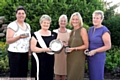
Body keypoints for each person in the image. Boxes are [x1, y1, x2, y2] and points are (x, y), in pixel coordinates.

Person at [6, 6, 31, 78]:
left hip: (24, 53)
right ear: (16, 15)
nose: (21, 15)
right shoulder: (12, 25)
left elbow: (29, 40)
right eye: (19, 13)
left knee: (23, 74)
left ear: (25, 15)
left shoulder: (28, 26)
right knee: (15, 74)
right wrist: (19, 37)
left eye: (23, 13)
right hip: (14, 53)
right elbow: (8, 40)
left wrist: (29, 53)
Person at [85, 10, 111, 80]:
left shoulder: (104, 30)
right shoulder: (90, 29)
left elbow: (108, 46)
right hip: (90, 56)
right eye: (94, 18)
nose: (95, 20)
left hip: (98, 58)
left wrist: (95, 51)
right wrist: (87, 49)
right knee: (91, 76)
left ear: (102, 19)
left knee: (97, 76)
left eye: (97, 18)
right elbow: (88, 42)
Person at [30, 14, 57, 80]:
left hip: (49, 59)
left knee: (49, 75)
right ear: (41, 23)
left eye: (48, 23)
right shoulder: (35, 35)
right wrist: (45, 49)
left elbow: (56, 46)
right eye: (44, 22)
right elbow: (33, 48)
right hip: (39, 60)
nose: (46, 24)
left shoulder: (54, 35)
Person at [67, 12, 89, 80]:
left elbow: (86, 45)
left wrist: (74, 48)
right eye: (73, 19)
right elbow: (70, 44)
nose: (74, 21)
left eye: (76, 19)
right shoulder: (71, 32)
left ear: (80, 20)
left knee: (76, 75)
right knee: (70, 75)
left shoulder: (82, 30)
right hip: (70, 57)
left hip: (78, 57)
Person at [53, 14, 71, 80]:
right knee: (57, 74)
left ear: (66, 22)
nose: (63, 22)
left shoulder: (70, 32)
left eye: (64, 21)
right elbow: (52, 44)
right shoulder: (54, 32)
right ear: (59, 22)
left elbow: (71, 44)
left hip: (66, 55)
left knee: (64, 74)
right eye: (61, 21)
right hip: (57, 55)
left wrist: (64, 44)